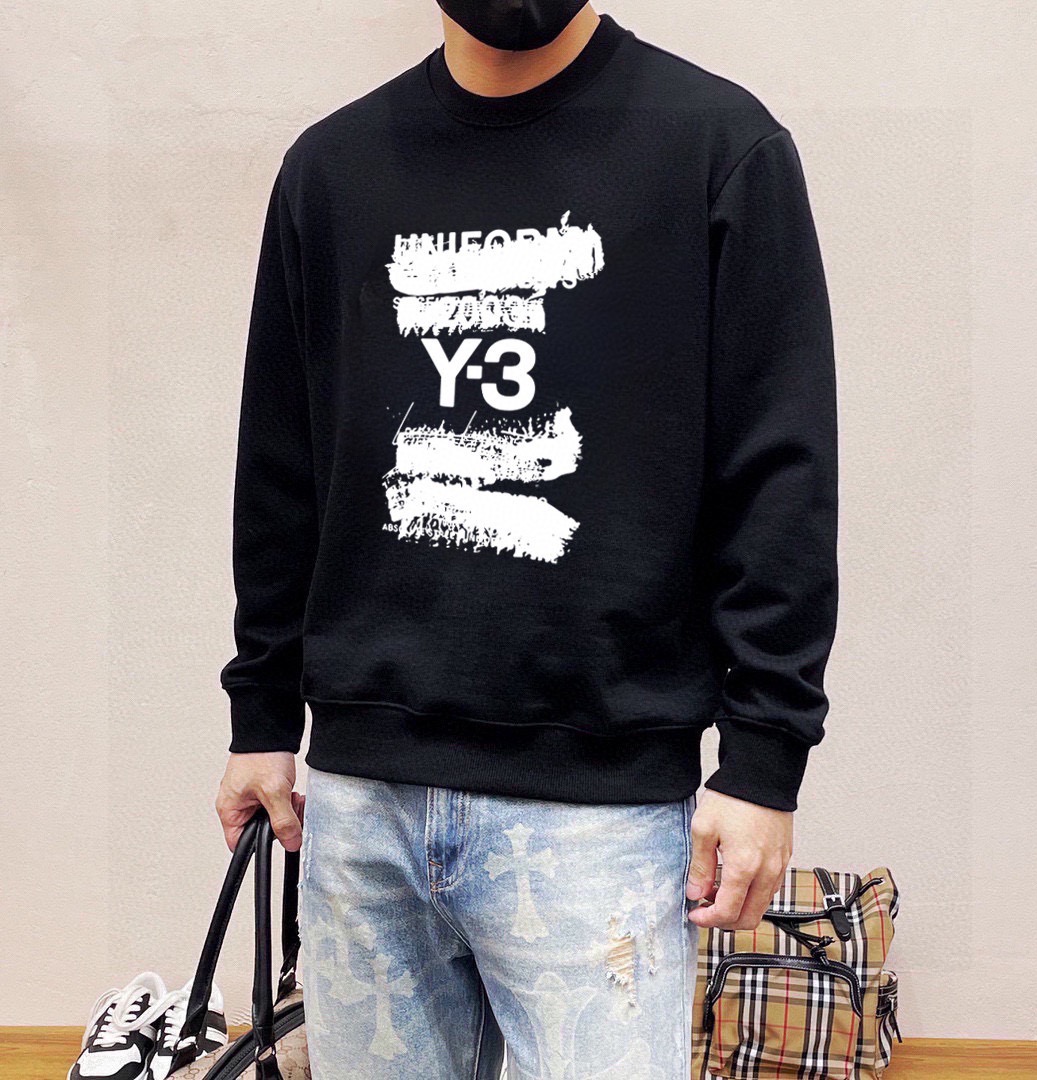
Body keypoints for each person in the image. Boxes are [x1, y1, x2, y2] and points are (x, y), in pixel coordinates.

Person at [214, 3, 838, 1076]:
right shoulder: (331, 171)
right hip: (362, 808)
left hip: (601, 812)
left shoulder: (716, 148)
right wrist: (260, 715)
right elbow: (282, 466)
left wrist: (764, 760)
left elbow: (782, 471)